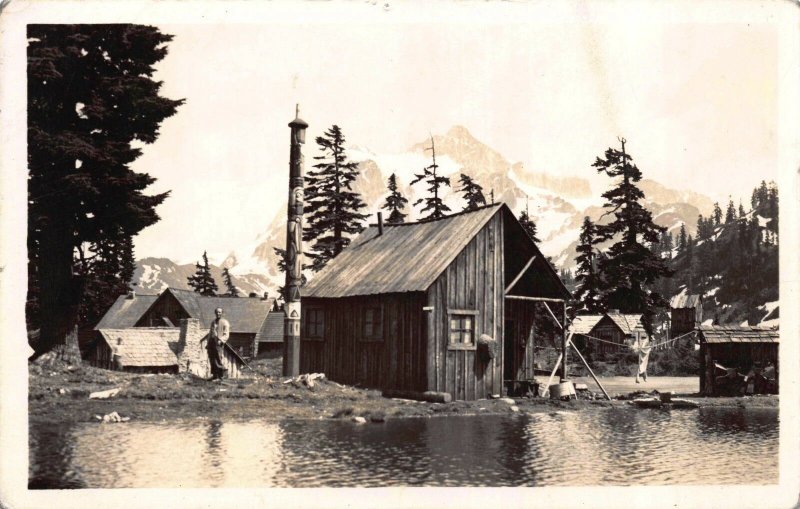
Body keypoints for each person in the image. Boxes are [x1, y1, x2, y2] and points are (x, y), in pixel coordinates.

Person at [208, 307, 230, 381]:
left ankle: (220, 376)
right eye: (217, 312)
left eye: (220, 312)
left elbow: (226, 334)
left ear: (222, 313)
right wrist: (208, 342)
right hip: (212, 342)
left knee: (218, 359)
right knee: (212, 358)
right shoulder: (213, 322)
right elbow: (210, 333)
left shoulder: (225, 322)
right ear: (215, 313)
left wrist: (221, 340)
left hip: (219, 342)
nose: (218, 314)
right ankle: (215, 375)